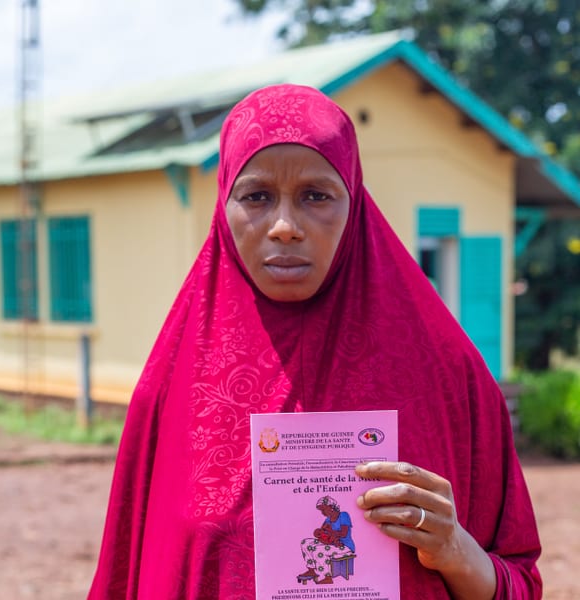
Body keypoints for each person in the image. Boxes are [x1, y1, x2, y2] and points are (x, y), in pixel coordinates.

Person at [88, 83, 542, 599]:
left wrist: (455, 549)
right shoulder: (172, 392)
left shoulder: (449, 377)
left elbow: (518, 583)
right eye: (256, 196)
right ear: (223, 205)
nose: (284, 226)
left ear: (355, 203)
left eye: (316, 196)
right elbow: (127, 579)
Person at [298, 496, 356, 585]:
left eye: (323, 509)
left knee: (318, 550)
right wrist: (320, 534)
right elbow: (321, 532)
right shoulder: (328, 519)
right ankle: (311, 570)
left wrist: (330, 533)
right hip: (332, 543)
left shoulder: (343, 515)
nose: (322, 512)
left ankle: (327, 577)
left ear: (331, 507)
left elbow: (343, 533)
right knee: (306, 543)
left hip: (344, 546)